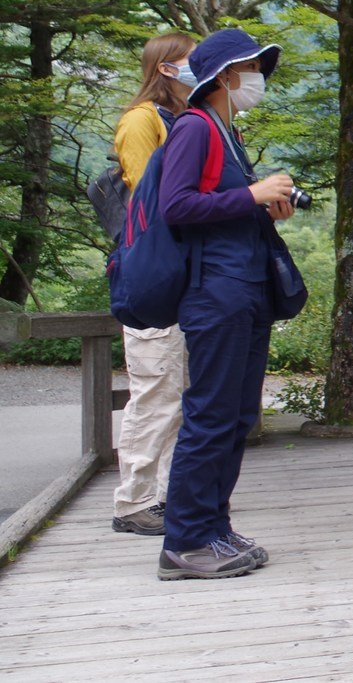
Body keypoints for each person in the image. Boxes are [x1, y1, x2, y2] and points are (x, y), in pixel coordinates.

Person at [155, 28, 298, 580]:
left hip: (241, 290)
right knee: (211, 416)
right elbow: (177, 206)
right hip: (215, 293)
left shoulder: (225, 130)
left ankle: (213, 527)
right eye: (252, 68)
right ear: (224, 76)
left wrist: (260, 208)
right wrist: (251, 195)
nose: (257, 78)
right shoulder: (195, 127)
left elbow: (215, 207)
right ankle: (184, 541)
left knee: (236, 416)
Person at [109, 32, 196, 537]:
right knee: (155, 388)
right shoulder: (142, 120)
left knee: (176, 391)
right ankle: (133, 500)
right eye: (188, 61)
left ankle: (163, 495)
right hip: (152, 273)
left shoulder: (184, 118)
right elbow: (150, 199)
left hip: (180, 273)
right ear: (165, 68)